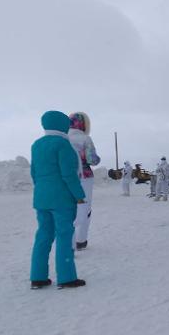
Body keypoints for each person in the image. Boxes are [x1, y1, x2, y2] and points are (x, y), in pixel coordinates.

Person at [29, 111, 86, 289]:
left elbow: (34, 173)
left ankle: (37, 277)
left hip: (41, 197)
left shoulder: (37, 145)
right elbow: (68, 174)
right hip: (61, 199)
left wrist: (42, 190)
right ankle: (66, 277)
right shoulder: (63, 145)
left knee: (43, 236)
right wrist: (79, 195)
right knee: (63, 235)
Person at [67, 112, 101, 251]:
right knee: (84, 209)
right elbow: (92, 159)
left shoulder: (63, 138)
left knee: (69, 210)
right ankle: (81, 240)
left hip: (67, 178)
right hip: (84, 177)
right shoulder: (85, 139)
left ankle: (69, 243)